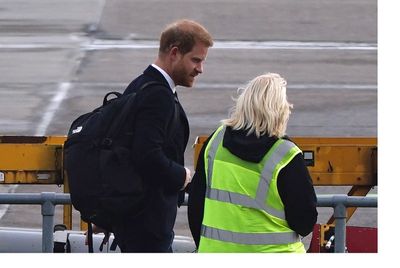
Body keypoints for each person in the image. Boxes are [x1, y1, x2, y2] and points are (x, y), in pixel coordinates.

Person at [90, 19, 213, 252]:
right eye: (196, 60)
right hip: (147, 224)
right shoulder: (158, 96)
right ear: (174, 53)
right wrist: (184, 176)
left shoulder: (140, 85)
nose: (200, 69)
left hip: (134, 220)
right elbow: (146, 155)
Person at [187, 72, 318, 253]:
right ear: (280, 110)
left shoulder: (215, 142)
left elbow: (196, 206)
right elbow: (305, 221)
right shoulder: (285, 154)